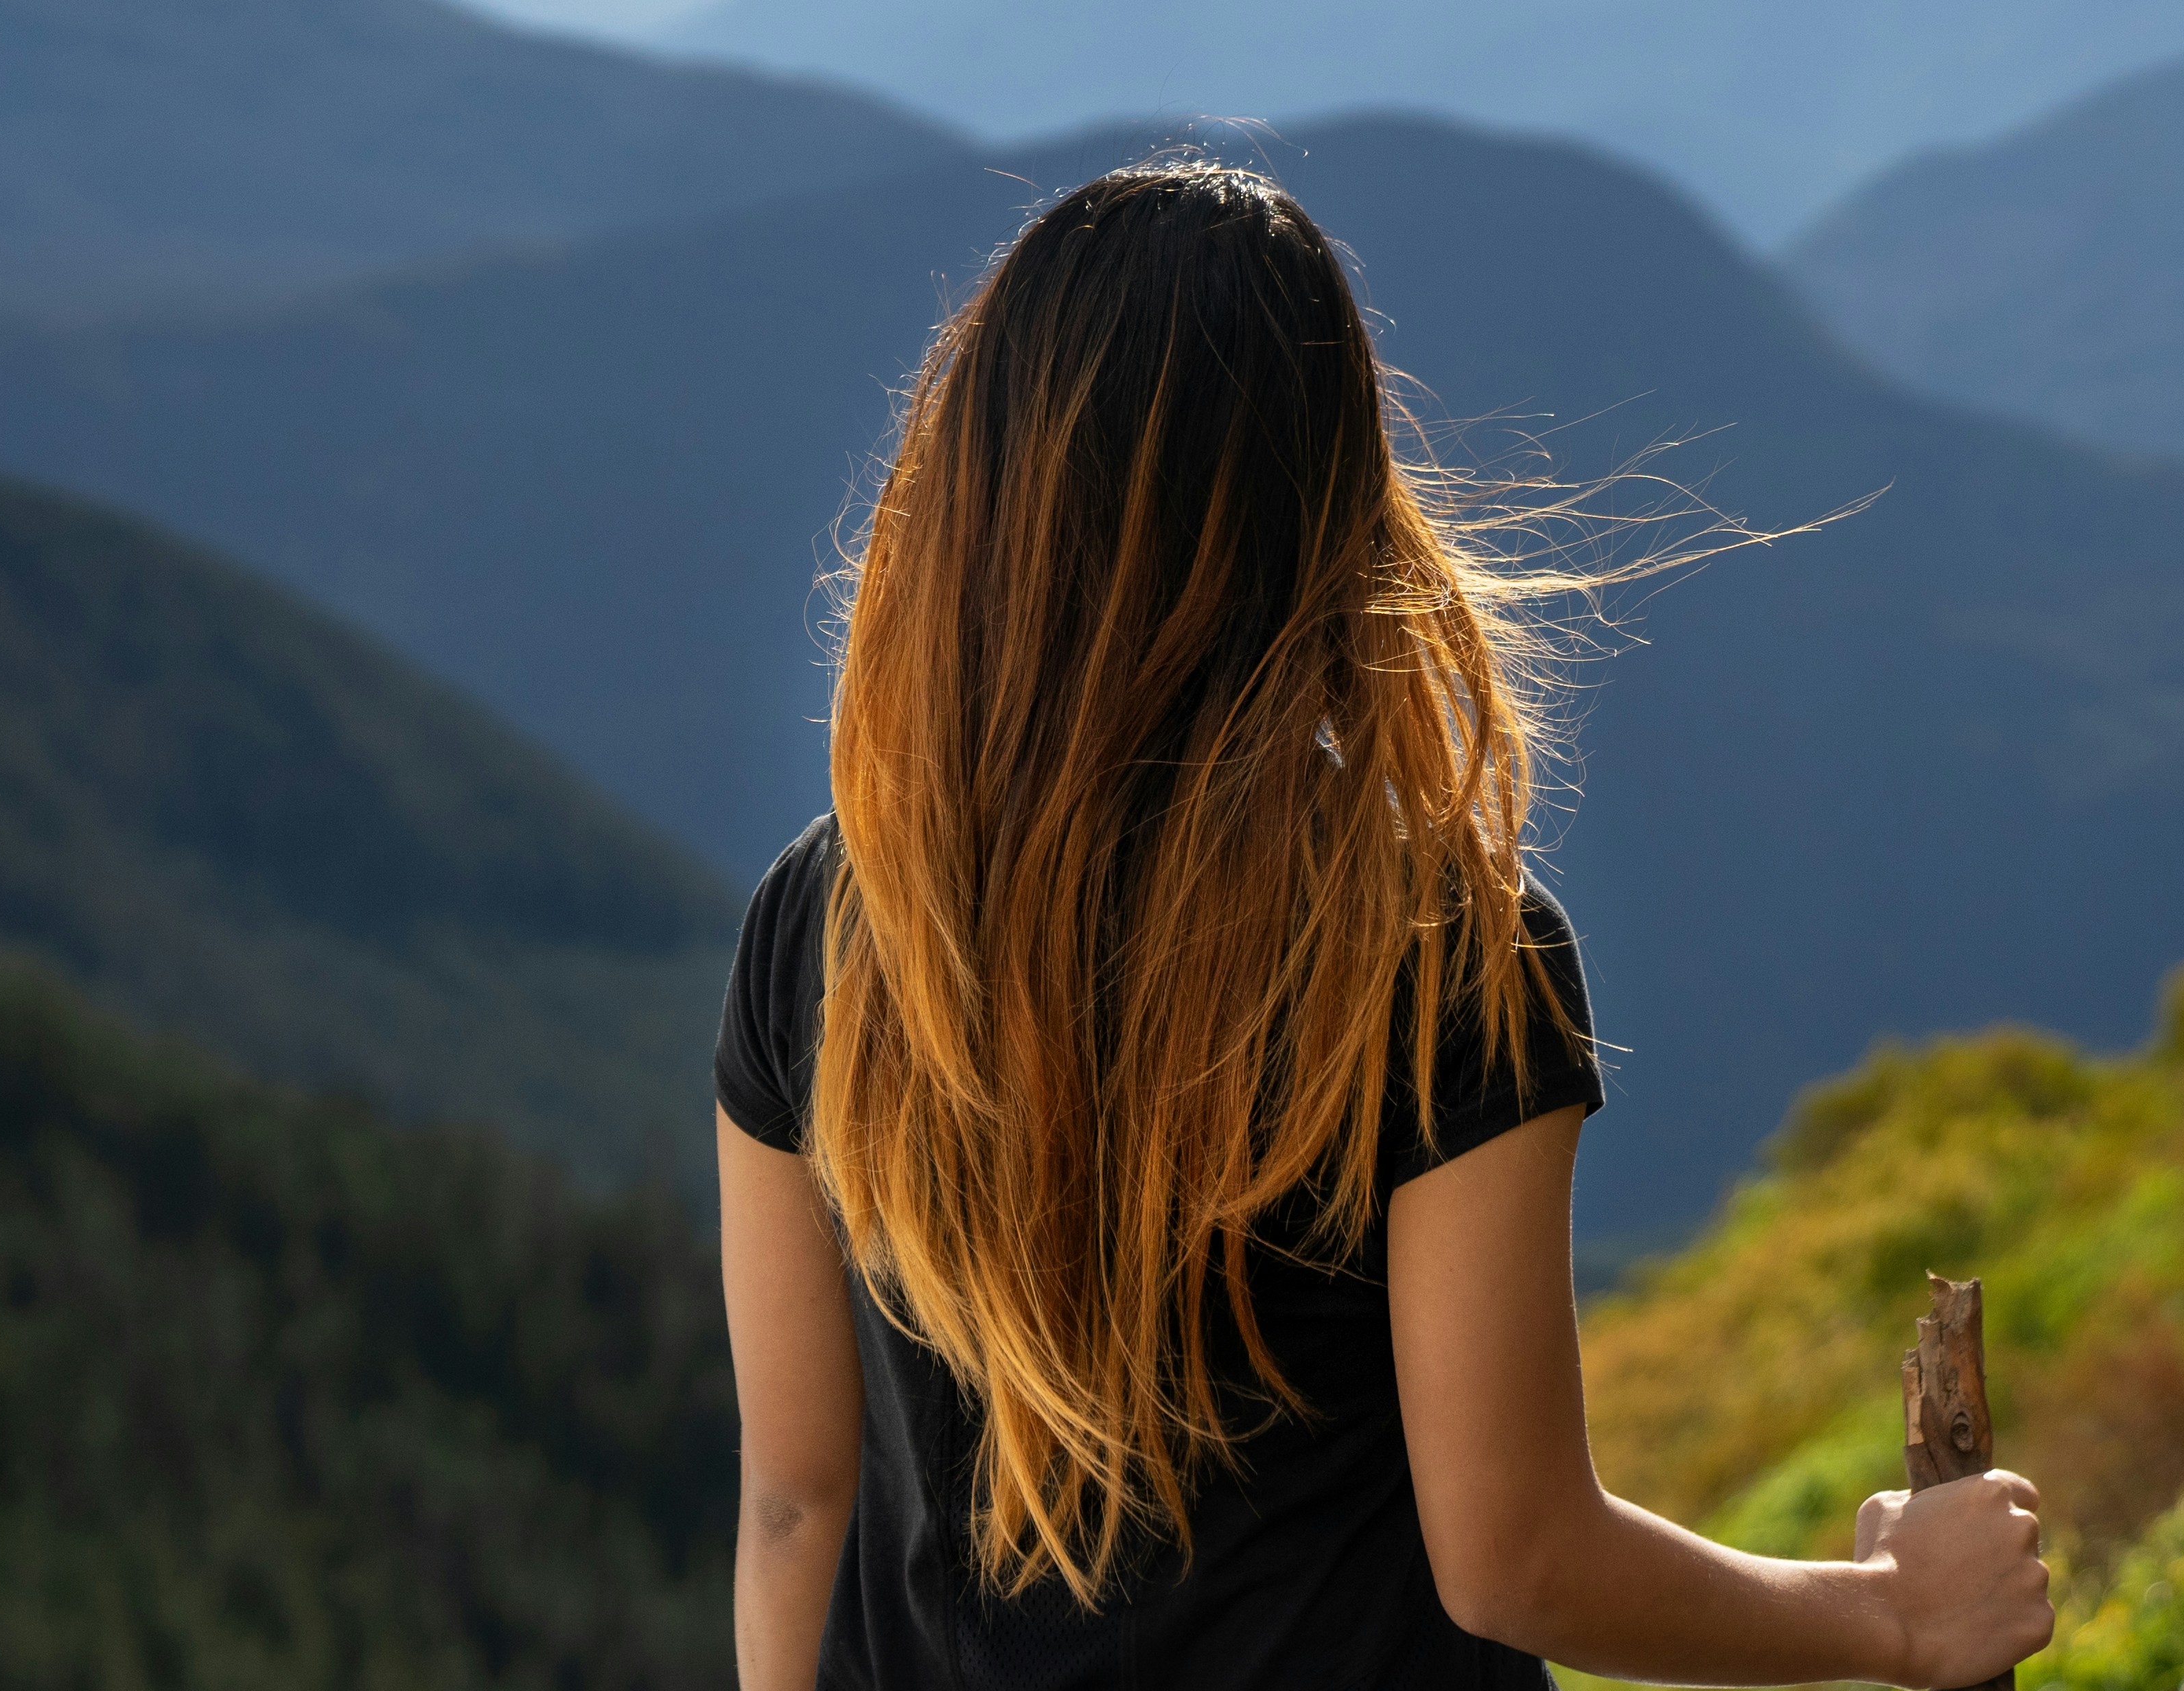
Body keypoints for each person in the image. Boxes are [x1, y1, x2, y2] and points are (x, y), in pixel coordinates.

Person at [717, 160, 2054, 1688]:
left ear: (978, 492)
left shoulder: (822, 921)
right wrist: (1891, 1611)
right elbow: (1516, 1557)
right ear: (1333, 505)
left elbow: (793, 1492)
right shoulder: (1431, 954)